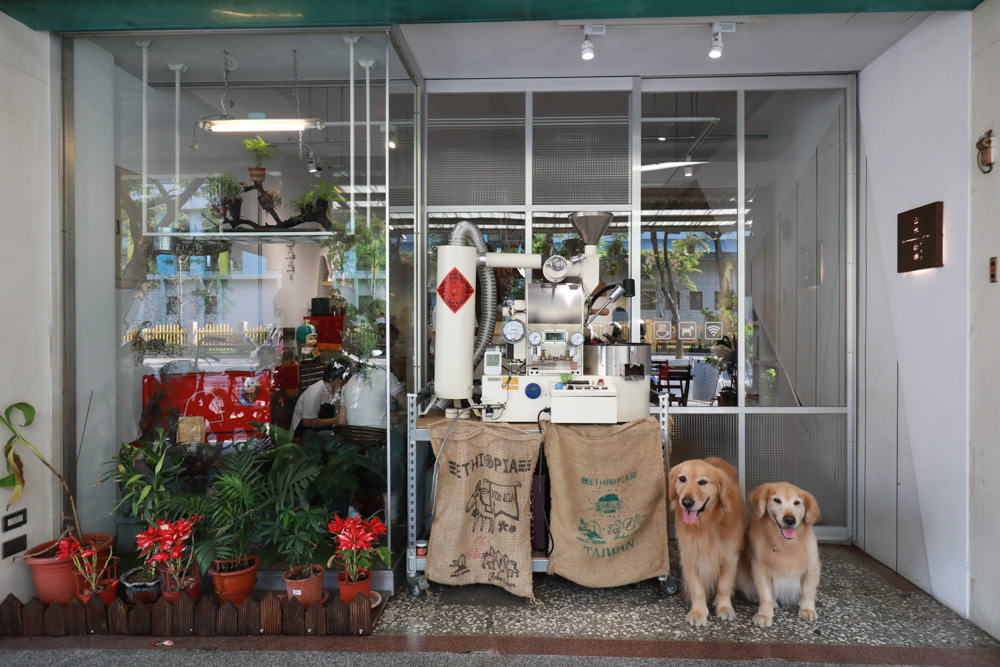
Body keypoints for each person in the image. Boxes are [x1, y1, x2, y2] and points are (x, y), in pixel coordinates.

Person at [290, 359, 352, 438]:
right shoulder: (314, 393)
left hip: (319, 430)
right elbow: (307, 422)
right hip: (301, 436)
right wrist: (336, 420)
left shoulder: (334, 389)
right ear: (338, 379)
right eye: (346, 380)